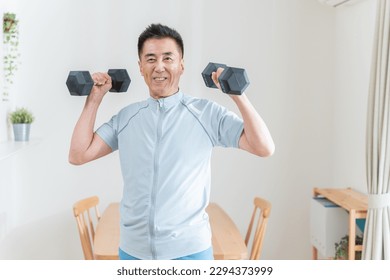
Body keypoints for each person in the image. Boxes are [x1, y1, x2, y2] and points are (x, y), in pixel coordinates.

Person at [69, 23, 275, 260]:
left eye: (168, 58)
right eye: (150, 59)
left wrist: (237, 96)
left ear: (181, 64)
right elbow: (78, 154)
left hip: (190, 252)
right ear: (140, 67)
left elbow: (264, 147)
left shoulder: (205, 114)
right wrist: (94, 99)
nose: (159, 67)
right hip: (133, 252)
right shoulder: (126, 118)